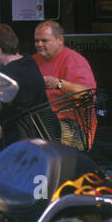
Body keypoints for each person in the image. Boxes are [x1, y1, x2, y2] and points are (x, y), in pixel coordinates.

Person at [0, 24, 58, 148]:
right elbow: (0, 64)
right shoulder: (29, 61)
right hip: (46, 133)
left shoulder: (6, 75)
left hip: (21, 140)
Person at [33, 20, 96, 149]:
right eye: (36, 41)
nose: (39, 44)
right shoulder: (34, 60)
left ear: (60, 40)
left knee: (29, 130)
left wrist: (58, 84)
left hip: (74, 128)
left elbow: (89, 94)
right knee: (2, 129)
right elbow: (6, 61)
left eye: (44, 40)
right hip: (40, 120)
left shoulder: (74, 60)